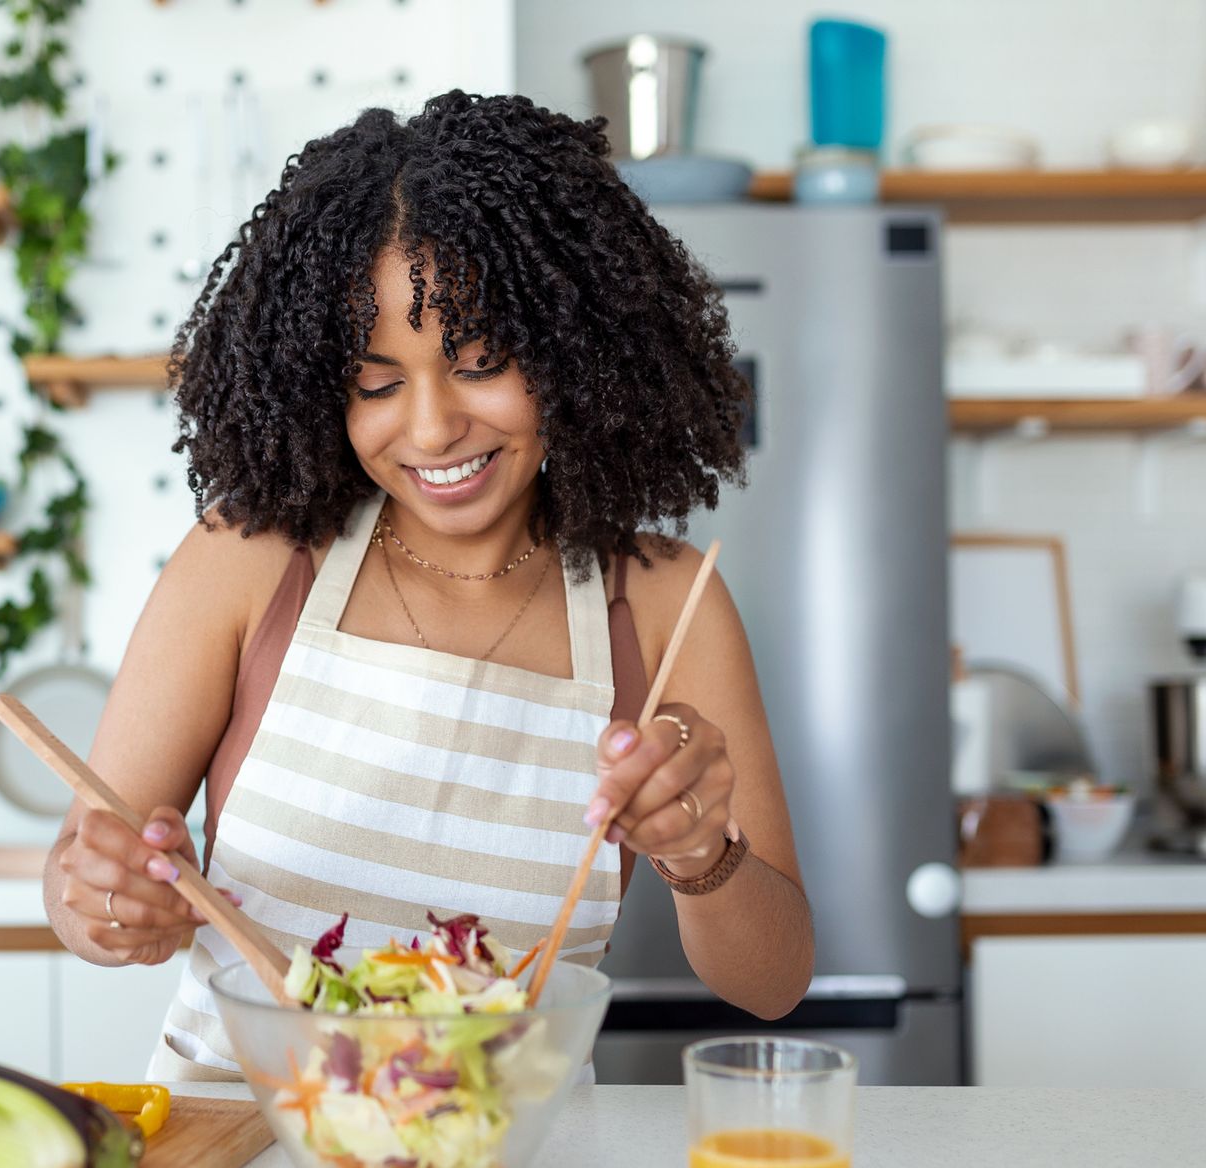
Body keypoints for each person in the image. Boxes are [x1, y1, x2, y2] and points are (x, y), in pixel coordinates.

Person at [43, 91, 814, 1080]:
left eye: (482, 361)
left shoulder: (666, 604)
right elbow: (81, 874)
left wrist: (702, 850)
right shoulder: (252, 557)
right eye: (377, 382)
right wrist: (108, 901)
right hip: (234, 1167)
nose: (433, 425)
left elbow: (775, 979)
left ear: (579, 349)